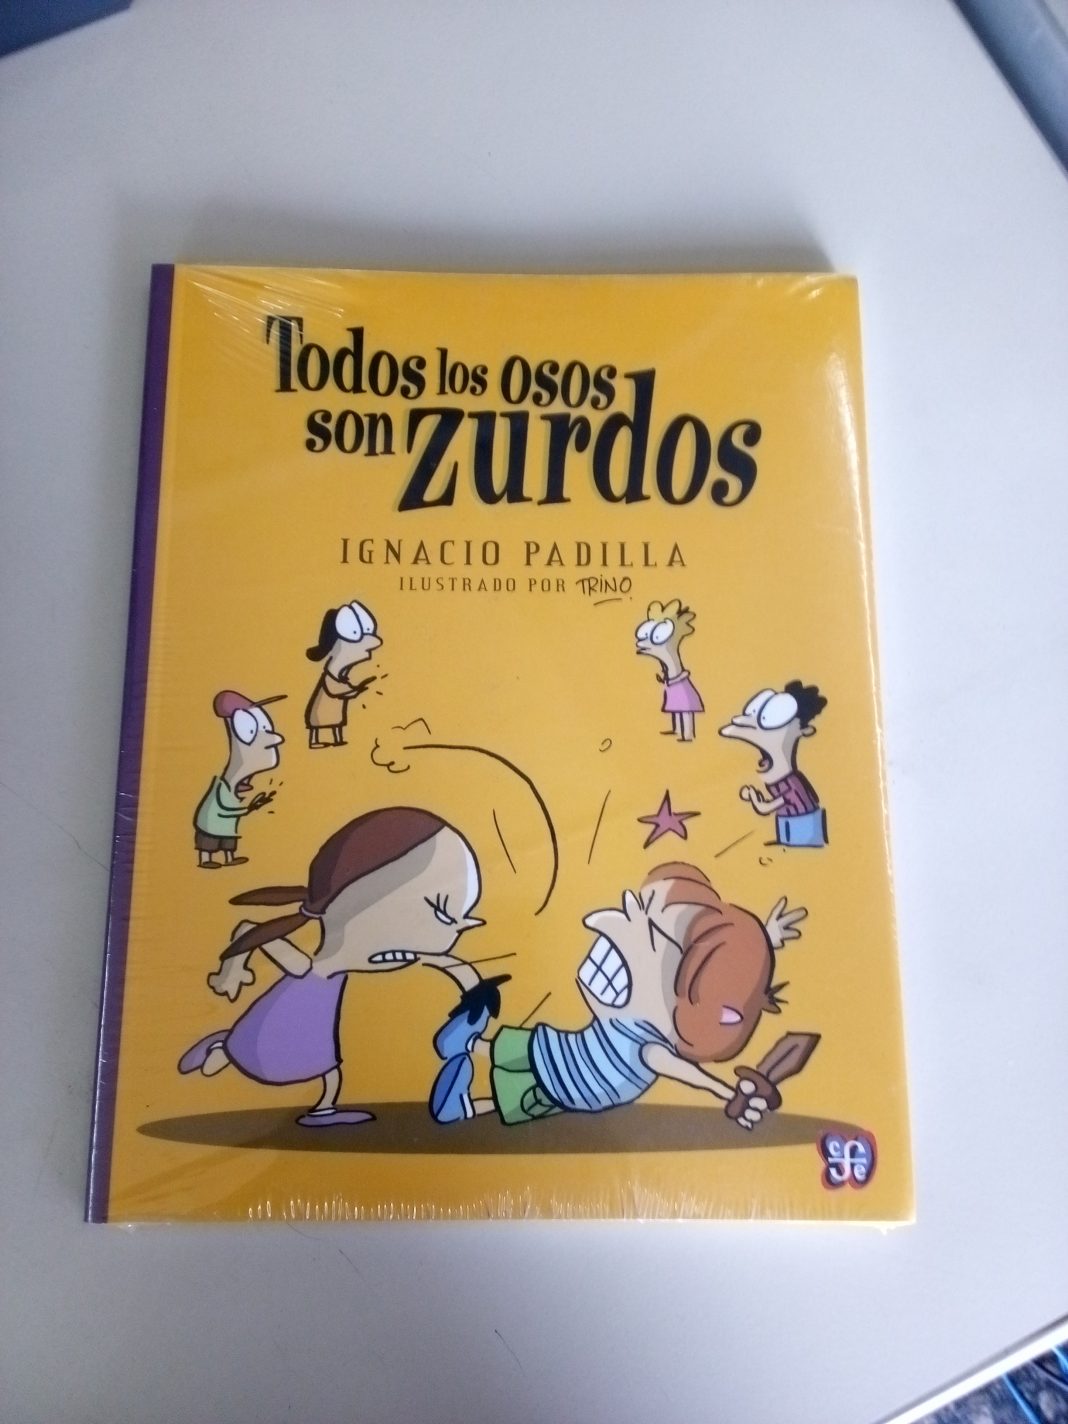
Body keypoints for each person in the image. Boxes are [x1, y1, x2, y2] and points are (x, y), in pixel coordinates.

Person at [178, 807, 503, 1127]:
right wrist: (231, 972)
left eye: (461, 919)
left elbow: (416, 959)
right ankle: (221, 1050)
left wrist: (458, 974)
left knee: (327, 1066)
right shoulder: (304, 967)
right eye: (441, 911)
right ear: (355, 895)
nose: (453, 932)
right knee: (255, 1051)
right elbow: (248, 930)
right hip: (289, 1008)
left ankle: (323, 1109)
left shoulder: (376, 957)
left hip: (322, 1014)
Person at [430, 861, 811, 1130]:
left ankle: (464, 1104)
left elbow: (689, 1072)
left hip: (582, 1084)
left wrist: (724, 1091)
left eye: (654, 931)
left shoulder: (652, 1045)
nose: (629, 911)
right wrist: (762, 938)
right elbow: (594, 991)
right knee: (532, 1050)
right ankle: (472, 1046)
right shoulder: (628, 1010)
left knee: (525, 1092)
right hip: (573, 1052)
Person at [719, 681, 828, 847]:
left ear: (803, 730)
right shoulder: (784, 780)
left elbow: (764, 808)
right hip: (792, 826)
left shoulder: (791, 785)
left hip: (802, 831)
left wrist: (753, 796)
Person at [192, 689, 285, 868]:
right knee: (210, 842)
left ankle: (228, 858)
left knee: (228, 841)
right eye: (254, 730)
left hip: (227, 826)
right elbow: (223, 809)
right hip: (211, 825)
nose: (277, 739)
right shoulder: (222, 790)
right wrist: (246, 809)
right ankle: (206, 860)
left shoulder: (231, 790)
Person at [304, 599, 381, 748]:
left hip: (335, 706)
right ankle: (314, 741)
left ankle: (337, 739)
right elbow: (333, 688)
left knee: (336, 720)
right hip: (324, 705)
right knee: (318, 721)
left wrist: (354, 690)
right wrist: (353, 690)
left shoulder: (340, 673)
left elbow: (340, 687)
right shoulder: (331, 673)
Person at [634, 599, 704, 742]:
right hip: (672, 683)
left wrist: (671, 679)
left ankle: (688, 734)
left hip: (678, 683)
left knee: (685, 708)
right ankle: (677, 729)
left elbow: (668, 659)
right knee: (676, 706)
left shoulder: (668, 648)